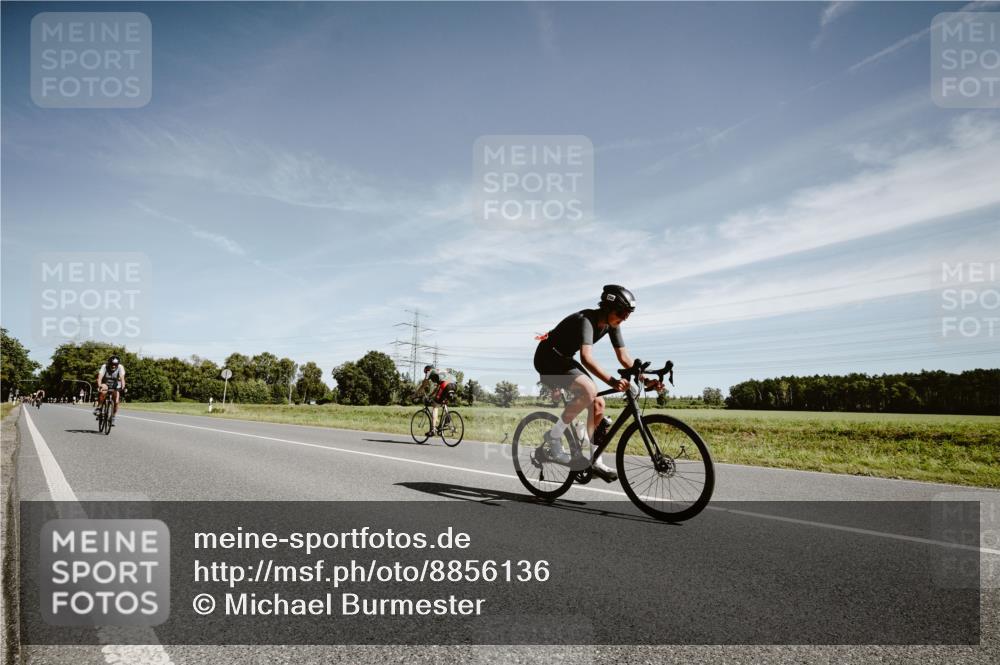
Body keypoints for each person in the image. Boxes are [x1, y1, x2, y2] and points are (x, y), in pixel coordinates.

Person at [533, 285, 663, 482]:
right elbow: (586, 358)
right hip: (547, 357)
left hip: (564, 358)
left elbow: (624, 357)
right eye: (621, 312)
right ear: (607, 307)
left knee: (598, 404)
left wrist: (645, 379)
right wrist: (611, 380)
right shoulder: (586, 320)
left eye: (628, 314)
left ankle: (595, 460)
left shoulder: (612, 325)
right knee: (588, 390)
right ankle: (553, 436)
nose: (624, 318)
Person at [416, 365, 458, 436]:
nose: (426, 374)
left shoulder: (430, 371)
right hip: (454, 385)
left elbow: (424, 384)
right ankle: (446, 422)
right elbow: (437, 389)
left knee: (435, 406)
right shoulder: (440, 372)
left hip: (445, 385)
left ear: (427, 370)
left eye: (425, 373)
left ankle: (433, 430)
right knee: (443, 403)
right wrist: (430, 396)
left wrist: (416, 394)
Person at [94, 355, 126, 424]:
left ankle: (113, 416)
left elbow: (122, 379)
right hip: (105, 383)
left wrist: (123, 387)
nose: (114, 366)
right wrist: (100, 386)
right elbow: (99, 378)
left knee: (116, 401)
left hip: (115, 385)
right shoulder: (104, 366)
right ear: (109, 363)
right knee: (103, 390)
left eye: (115, 365)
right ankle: (99, 408)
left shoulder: (120, 367)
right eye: (112, 364)